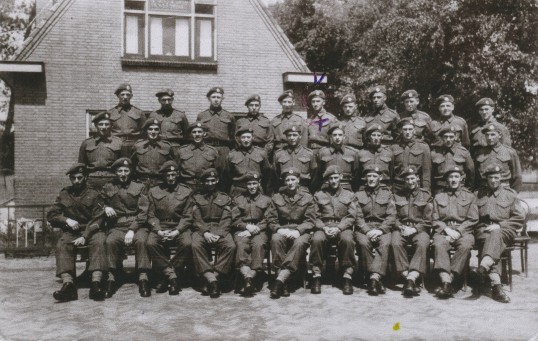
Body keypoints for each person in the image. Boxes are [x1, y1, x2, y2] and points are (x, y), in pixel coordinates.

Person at [48, 163, 107, 302]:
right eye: (73, 178)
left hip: (92, 230)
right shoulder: (64, 194)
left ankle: (96, 283)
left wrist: (85, 236)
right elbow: (52, 215)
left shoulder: (94, 194)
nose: (76, 181)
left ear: (85, 177)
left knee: (99, 242)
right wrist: (66, 220)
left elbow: (98, 219)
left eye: (79, 178)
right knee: (62, 244)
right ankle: (68, 285)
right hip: (72, 231)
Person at [100, 158, 151, 298]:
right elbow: (98, 203)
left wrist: (131, 229)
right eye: (120, 171)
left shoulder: (139, 187)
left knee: (141, 241)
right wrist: (106, 207)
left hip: (137, 225)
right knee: (110, 242)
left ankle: (143, 277)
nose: (123, 173)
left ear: (130, 172)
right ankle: (111, 277)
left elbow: (143, 212)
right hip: (117, 226)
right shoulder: (108, 187)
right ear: (116, 172)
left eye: (126, 171)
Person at [473, 164, 525, 303]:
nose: (493, 180)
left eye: (496, 177)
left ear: (501, 178)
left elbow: (519, 217)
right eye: (491, 178)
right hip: (484, 230)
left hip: (505, 229)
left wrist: (499, 225)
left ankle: (483, 266)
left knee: (494, 235)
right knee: (491, 240)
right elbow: (472, 216)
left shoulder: (510, 194)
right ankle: (496, 287)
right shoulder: (478, 194)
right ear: (486, 179)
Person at [310, 165, 361, 295]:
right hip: (324, 226)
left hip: (342, 226)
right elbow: (313, 216)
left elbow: (351, 216)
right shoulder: (319, 195)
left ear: (341, 177)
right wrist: (324, 227)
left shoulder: (349, 195)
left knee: (348, 240)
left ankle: (347, 276)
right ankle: (316, 275)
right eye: (330, 178)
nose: (333, 181)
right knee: (317, 239)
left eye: (335, 177)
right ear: (327, 180)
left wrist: (339, 228)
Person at [145, 161, 193, 295]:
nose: (171, 178)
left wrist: (177, 231)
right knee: (151, 243)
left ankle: (167, 277)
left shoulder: (186, 191)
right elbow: (151, 215)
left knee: (187, 243)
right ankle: (173, 278)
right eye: (168, 175)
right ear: (163, 176)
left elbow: (188, 216)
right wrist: (159, 230)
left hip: (179, 227)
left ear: (177, 174)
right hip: (161, 227)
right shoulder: (154, 191)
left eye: (173, 174)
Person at [431, 166, 478, 299]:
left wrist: (458, 231)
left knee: (466, 245)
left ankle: (450, 279)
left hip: (463, 231)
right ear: (446, 179)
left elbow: (473, 218)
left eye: (456, 177)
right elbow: (435, 219)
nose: (453, 180)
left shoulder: (469, 196)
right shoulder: (439, 196)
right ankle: (446, 281)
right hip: (443, 230)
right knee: (438, 244)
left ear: (461, 178)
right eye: (450, 177)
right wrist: (446, 230)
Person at [269, 168, 316, 299]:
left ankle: (280, 280)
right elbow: (271, 219)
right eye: (287, 180)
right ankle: (283, 282)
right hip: (283, 229)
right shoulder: (277, 197)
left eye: (293, 179)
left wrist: (298, 230)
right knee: (275, 239)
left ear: (298, 180)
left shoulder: (307, 197)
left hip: (301, 230)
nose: (290, 182)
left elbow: (310, 220)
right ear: (284, 182)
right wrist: (279, 229)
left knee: (300, 242)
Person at [189, 168, 236, 298]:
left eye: (212, 181)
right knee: (195, 245)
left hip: (219, 229)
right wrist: (205, 233)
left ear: (217, 181)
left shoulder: (225, 198)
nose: (210, 184)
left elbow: (227, 218)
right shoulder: (196, 198)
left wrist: (219, 234)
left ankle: (212, 278)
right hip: (201, 229)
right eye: (207, 181)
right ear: (203, 182)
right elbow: (196, 218)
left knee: (230, 246)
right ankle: (213, 281)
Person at [231, 172, 276, 297]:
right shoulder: (238, 199)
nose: (251, 187)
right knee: (240, 244)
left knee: (259, 244)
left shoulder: (267, 200)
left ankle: (251, 277)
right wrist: (246, 227)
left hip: (259, 230)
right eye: (249, 184)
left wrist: (255, 228)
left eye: (254, 184)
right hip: (242, 229)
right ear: (245, 185)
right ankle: (247, 277)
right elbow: (234, 219)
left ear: (259, 183)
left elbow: (269, 219)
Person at [354, 165, 396, 296]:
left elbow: (391, 216)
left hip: (382, 228)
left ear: (380, 178)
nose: (371, 179)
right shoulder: (358, 194)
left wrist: (380, 230)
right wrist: (367, 231)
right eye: (369, 176)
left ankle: (373, 278)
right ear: (365, 178)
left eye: (374, 176)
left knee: (385, 244)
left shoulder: (388, 194)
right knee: (363, 243)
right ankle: (376, 278)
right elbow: (357, 216)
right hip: (364, 228)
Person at [391, 166, 432, 297]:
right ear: (404, 181)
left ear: (418, 178)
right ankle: (408, 277)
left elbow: (428, 219)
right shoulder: (396, 195)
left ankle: (411, 278)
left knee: (423, 243)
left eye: (412, 178)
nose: (410, 181)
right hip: (401, 229)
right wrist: (400, 227)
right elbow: (393, 216)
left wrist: (415, 229)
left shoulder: (426, 195)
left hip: (419, 229)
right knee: (395, 242)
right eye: (407, 179)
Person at [79, 111, 121, 190]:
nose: (104, 127)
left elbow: (123, 163)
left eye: (107, 124)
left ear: (111, 126)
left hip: (112, 179)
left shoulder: (118, 142)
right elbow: (81, 165)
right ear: (96, 125)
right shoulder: (87, 143)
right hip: (91, 180)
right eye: (101, 124)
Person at [474, 123, 522, 192]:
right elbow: (475, 177)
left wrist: (513, 194)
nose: (489, 138)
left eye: (493, 134)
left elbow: (517, 177)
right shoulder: (479, 153)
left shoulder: (510, 152)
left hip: (504, 191)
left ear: (499, 135)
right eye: (487, 135)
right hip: (484, 192)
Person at [175, 122, 220, 193]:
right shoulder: (182, 151)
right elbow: (177, 170)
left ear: (204, 134)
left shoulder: (212, 151)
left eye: (199, 132)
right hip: (186, 186)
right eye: (194, 132)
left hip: (205, 187)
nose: (197, 134)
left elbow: (218, 171)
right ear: (190, 134)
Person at [226, 126, 272, 196]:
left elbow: (267, 174)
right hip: (238, 190)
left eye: (248, 137)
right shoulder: (232, 155)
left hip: (256, 190)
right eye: (243, 137)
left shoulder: (261, 153)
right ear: (238, 139)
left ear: (253, 138)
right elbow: (227, 176)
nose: (246, 140)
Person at [131, 119, 174, 191]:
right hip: (142, 183)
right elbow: (132, 164)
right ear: (146, 131)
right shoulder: (138, 146)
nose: (153, 132)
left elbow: (172, 165)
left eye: (156, 129)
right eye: (150, 129)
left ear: (159, 131)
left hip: (160, 184)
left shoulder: (166, 147)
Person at [196, 87, 235, 167]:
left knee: (224, 174)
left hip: (223, 149)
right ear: (209, 98)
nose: (216, 99)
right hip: (207, 148)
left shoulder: (229, 116)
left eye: (218, 97)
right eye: (213, 97)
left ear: (222, 99)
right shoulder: (202, 116)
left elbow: (233, 136)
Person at [315, 123, 360, 191]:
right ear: (330, 137)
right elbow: (319, 173)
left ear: (344, 137)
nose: (337, 137)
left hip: (346, 186)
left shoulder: (352, 153)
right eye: (335, 135)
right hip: (327, 187)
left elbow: (356, 174)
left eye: (340, 135)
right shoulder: (323, 152)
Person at [391, 118, 432, 193]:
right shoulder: (394, 147)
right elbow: (391, 171)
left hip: (416, 186)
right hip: (398, 187)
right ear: (400, 131)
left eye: (410, 129)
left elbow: (426, 172)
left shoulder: (423, 147)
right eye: (405, 129)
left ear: (414, 131)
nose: (407, 132)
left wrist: (426, 190)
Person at [272, 125, 317, 192]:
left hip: (303, 190)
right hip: (284, 190)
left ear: (300, 136)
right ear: (286, 137)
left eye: (294, 135)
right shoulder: (279, 154)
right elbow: (275, 176)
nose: (292, 138)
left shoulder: (309, 153)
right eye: (289, 135)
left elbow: (314, 175)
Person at [431, 126, 475, 193]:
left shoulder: (463, 152)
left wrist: (467, 190)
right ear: (442, 138)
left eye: (451, 137)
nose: (448, 139)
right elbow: (430, 174)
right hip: (440, 190)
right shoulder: (435, 153)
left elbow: (471, 173)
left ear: (455, 137)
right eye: (446, 137)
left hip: (459, 189)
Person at [107, 83, 146, 157]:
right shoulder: (111, 112)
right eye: (122, 95)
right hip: (116, 145)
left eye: (128, 95)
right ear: (118, 96)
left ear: (131, 96)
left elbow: (144, 132)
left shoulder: (139, 112)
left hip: (134, 145)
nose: (125, 97)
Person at [148, 88, 189, 155]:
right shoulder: (153, 115)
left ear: (172, 100)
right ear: (159, 101)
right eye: (164, 100)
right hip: (160, 146)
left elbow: (187, 134)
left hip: (176, 147)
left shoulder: (180, 115)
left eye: (169, 100)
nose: (167, 102)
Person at [306, 90, 338, 155]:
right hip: (311, 152)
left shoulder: (331, 119)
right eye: (313, 101)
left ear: (323, 102)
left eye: (318, 101)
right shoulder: (309, 120)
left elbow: (335, 139)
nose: (315, 104)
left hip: (325, 151)